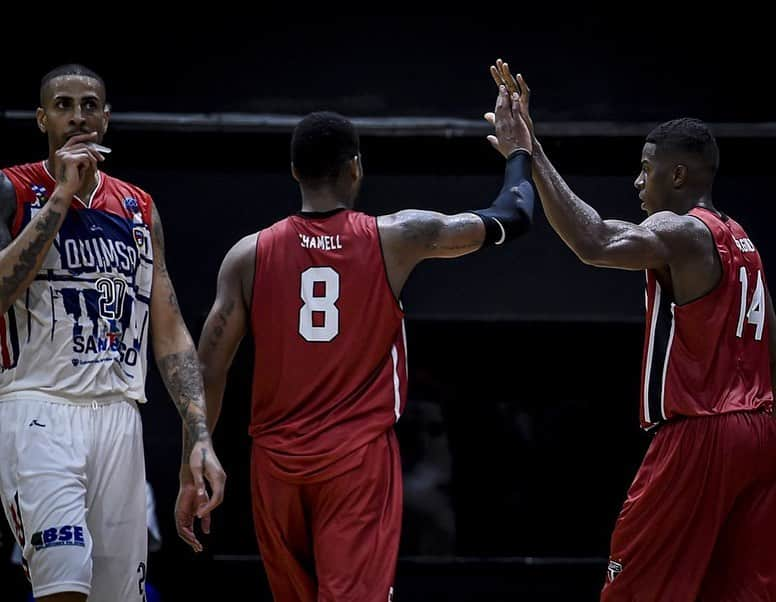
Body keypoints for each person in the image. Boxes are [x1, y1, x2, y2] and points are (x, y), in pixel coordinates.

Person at [181, 89, 534, 601]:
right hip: (355, 463)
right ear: (356, 168)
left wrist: (194, 458)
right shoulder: (399, 235)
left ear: (296, 172)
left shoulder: (247, 255)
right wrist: (518, 152)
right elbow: (514, 216)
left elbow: (207, 371)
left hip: (276, 466)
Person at [489, 60, 776, 600]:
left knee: (633, 588)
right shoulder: (744, 242)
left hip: (701, 431)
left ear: (679, 175)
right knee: (735, 591)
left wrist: (530, 151)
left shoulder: (680, 230)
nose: (637, 181)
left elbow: (594, 242)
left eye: (646, 169)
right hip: (760, 432)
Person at [0, 64, 226, 602]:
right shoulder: (12, 189)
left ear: (106, 118)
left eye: (90, 105)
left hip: (119, 414)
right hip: (38, 409)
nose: (78, 116)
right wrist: (61, 196)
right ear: (41, 118)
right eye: (63, 105)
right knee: (63, 585)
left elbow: (169, 330)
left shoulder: (138, 207)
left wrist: (198, 437)